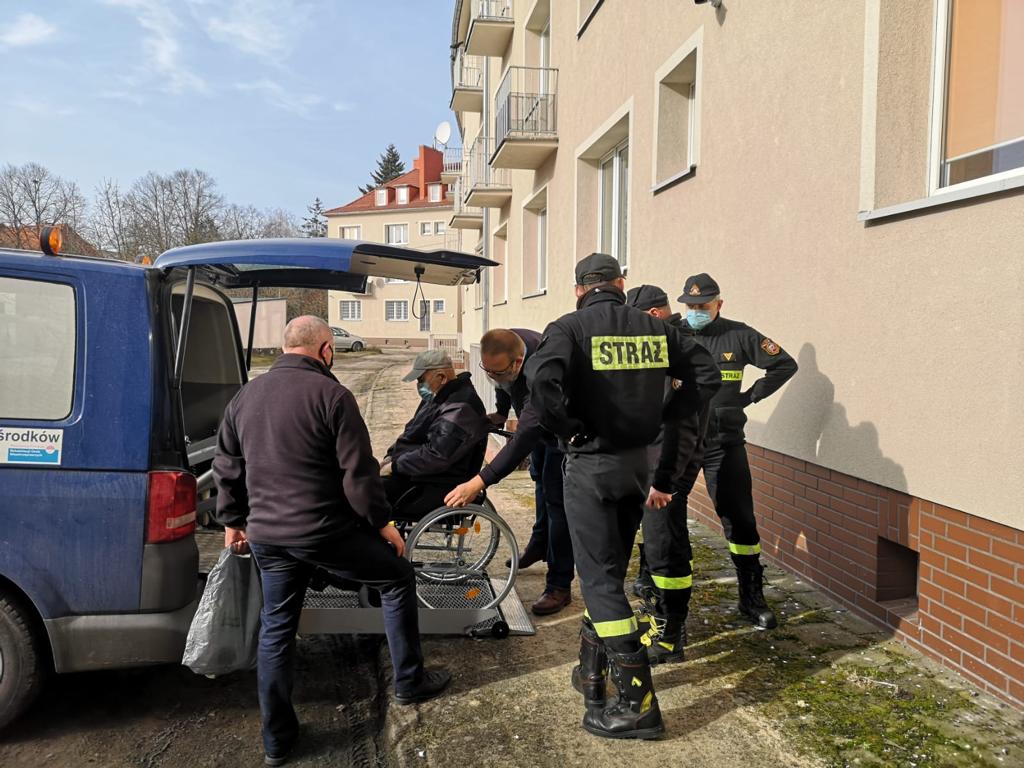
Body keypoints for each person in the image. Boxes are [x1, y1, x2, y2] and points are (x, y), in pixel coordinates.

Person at [213, 316, 450, 767]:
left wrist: (233, 520)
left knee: (277, 626)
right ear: (326, 349)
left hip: (267, 536)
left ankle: (277, 741)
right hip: (322, 532)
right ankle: (408, 681)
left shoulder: (246, 396)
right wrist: (381, 523)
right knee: (397, 578)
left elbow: (228, 465)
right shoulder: (332, 395)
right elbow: (357, 472)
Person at [526, 255, 721, 740]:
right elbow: (707, 374)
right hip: (638, 467)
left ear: (579, 289)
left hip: (592, 466)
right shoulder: (656, 329)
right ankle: (592, 673)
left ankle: (638, 704)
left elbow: (540, 382)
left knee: (599, 580)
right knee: (610, 572)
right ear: (620, 283)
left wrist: (568, 428)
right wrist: (669, 413)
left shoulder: (569, 328)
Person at [678, 272, 798, 630]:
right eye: (691, 305)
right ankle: (655, 585)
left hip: (723, 442)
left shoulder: (739, 334)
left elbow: (784, 364)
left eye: (703, 305)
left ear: (719, 304)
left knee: (740, 519)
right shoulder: (672, 334)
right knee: (664, 515)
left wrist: (749, 398)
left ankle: (751, 596)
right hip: (678, 443)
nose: (697, 311)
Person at [444, 329, 575, 616]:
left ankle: (559, 585)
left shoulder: (540, 371)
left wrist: (479, 482)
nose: (493, 376)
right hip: (538, 428)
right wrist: (502, 412)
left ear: (517, 362)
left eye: (499, 371)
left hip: (561, 432)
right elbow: (502, 385)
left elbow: (522, 439)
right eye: (487, 370)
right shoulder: (507, 349)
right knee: (540, 481)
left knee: (557, 503)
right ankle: (539, 544)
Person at [624, 284, 704, 666]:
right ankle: (666, 616)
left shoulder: (676, 349)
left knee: (665, 548)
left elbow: (680, 426)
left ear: (654, 315)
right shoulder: (667, 343)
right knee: (665, 542)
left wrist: (663, 481)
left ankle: (670, 635)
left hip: (667, 470)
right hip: (659, 465)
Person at [380, 349, 490, 521]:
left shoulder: (459, 407)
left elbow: (437, 455)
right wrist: (390, 457)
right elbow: (412, 433)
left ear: (441, 377)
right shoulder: (439, 397)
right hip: (420, 473)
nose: (419, 385)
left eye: (421, 379)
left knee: (366, 495)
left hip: (435, 483)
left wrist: (396, 465)